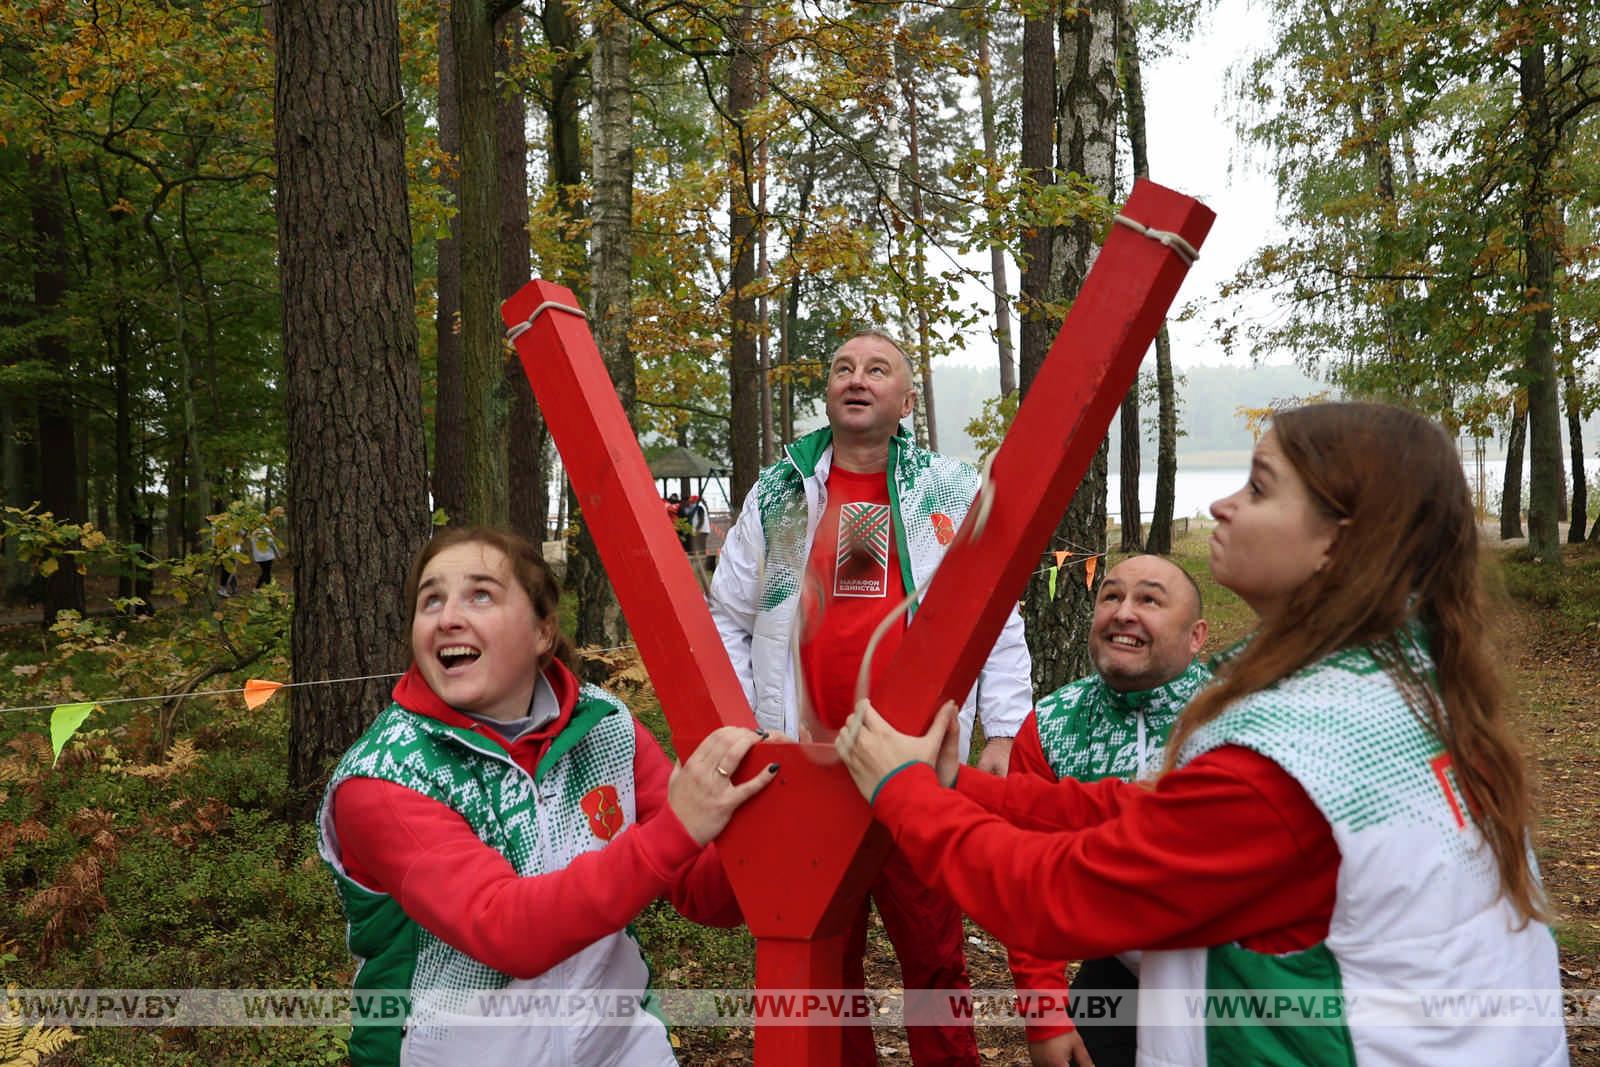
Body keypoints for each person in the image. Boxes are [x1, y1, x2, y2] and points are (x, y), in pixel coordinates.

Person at [837, 402, 1568, 1066]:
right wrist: (957, 785)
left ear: (1340, 544)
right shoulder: (1399, 688)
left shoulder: (1294, 761)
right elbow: (1146, 813)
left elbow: (1056, 894)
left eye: (1257, 487)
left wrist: (902, 791)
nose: (1222, 503)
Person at [317, 526, 777, 1066]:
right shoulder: (383, 778)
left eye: (480, 594)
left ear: (542, 631)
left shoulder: (607, 727)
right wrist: (678, 827)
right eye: (431, 599)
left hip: (619, 1049)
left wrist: (768, 817)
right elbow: (505, 930)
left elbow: (704, 894)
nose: (448, 618)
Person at [709, 329, 1033, 1066]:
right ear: (827, 392)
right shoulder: (784, 488)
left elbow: (998, 615)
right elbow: (727, 614)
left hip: (910, 758)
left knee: (934, 954)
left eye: (877, 369)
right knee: (830, 956)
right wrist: (747, 726)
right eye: (843, 368)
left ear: (907, 399)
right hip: (807, 765)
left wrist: (1004, 727)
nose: (857, 379)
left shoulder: (948, 490)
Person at [1008, 554, 1210, 1067]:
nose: (1123, 612)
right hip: (1121, 967)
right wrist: (1046, 1013)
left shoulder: (1237, 716)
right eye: (1111, 596)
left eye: (1150, 599)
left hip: (1237, 971)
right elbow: (1029, 879)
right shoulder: (1052, 726)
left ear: (1196, 636)